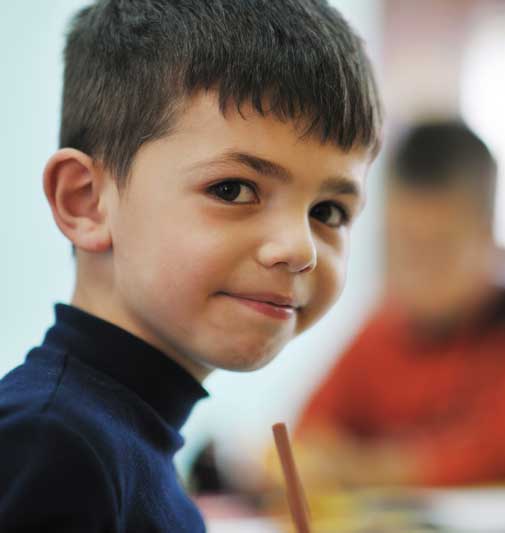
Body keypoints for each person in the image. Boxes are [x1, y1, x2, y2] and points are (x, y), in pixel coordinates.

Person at [0, 1, 382, 531]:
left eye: (328, 212)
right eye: (233, 190)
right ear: (86, 201)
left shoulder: (120, 441)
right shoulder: (50, 447)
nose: (300, 249)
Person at [295, 120, 505, 488]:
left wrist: (381, 468)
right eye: (403, 246)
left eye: (438, 249)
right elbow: (310, 437)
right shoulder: (383, 333)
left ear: (487, 237)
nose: (417, 271)